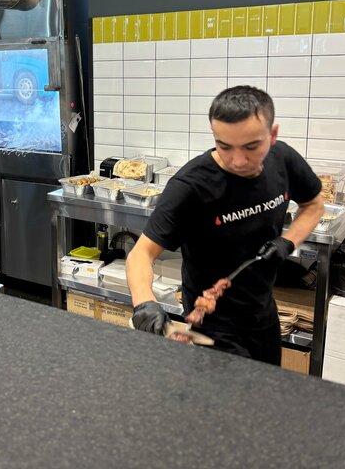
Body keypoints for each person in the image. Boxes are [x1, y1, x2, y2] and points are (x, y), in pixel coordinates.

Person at [126, 86, 324, 365]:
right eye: (225, 146)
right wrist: (145, 304)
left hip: (265, 315)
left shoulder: (283, 160)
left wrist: (287, 241)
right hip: (212, 326)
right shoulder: (190, 186)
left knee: (264, 390)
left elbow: (314, 206)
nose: (238, 161)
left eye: (251, 147)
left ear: (273, 134)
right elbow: (141, 254)